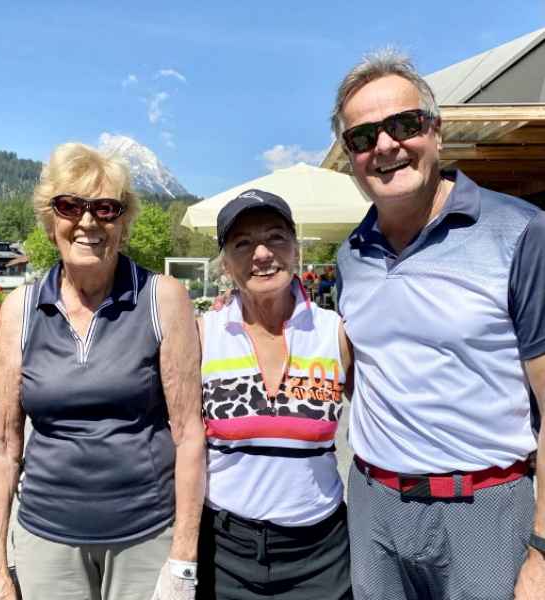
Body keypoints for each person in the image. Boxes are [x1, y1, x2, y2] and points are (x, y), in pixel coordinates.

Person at [332, 49, 545, 599]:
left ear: (436, 132)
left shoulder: (521, 232)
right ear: (351, 156)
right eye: (363, 137)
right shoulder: (350, 256)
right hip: (375, 506)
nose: (385, 145)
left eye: (404, 124)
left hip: (485, 510)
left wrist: (543, 550)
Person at [0, 142, 206, 600]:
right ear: (51, 223)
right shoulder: (21, 310)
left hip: (146, 535)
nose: (88, 221)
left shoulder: (162, 298)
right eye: (70, 206)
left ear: (123, 225)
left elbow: (188, 434)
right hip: (47, 539)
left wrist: (183, 558)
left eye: (106, 208)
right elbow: (2, 446)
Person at [197, 189, 352, 599]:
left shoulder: (335, 332)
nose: (262, 254)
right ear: (225, 263)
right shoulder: (203, 335)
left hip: (321, 552)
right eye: (243, 243)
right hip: (224, 550)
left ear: (296, 249)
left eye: (275, 237)